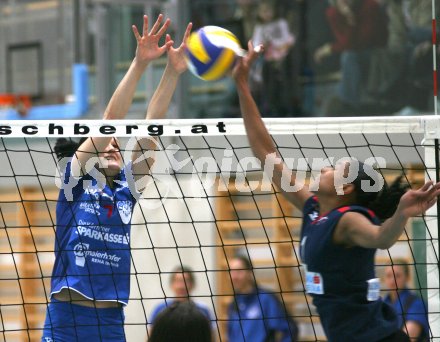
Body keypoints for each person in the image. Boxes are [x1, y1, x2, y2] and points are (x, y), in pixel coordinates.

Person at [231, 40, 440, 341]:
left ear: (346, 187)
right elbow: (265, 153)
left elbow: (381, 238)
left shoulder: (348, 220)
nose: (324, 169)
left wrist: (402, 213)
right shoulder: (314, 208)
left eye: (333, 169)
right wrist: (242, 85)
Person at [41, 15, 192, 342]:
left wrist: (171, 71)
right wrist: (139, 64)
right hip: (67, 317)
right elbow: (110, 120)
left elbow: (153, 125)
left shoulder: (127, 189)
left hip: (111, 319)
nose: (113, 144)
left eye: (117, 144)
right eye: (105, 142)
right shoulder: (74, 182)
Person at [314, 0, 388, 115]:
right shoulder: (333, 13)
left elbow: (363, 41)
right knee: (348, 55)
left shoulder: (369, 6)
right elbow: (345, 42)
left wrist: (329, 49)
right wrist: (350, 21)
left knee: (349, 56)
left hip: (377, 53)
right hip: (354, 50)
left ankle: (348, 104)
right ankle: (347, 102)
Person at [227, 255, 299, 342]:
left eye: (239, 271)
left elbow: (290, 330)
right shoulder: (234, 303)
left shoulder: (266, 299)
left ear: (250, 273)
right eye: (231, 271)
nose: (234, 276)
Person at [149, 265, 214, 325]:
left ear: (192, 284)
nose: (181, 286)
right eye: (178, 281)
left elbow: (211, 335)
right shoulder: (160, 309)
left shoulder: (203, 309)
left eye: (186, 281)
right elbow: (150, 335)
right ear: (171, 285)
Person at [383, 260, 429, 341]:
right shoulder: (382, 304)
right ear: (384, 278)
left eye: (397, 276)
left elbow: (408, 339)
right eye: (389, 276)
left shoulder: (417, 304)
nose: (392, 281)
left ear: (407, 277)